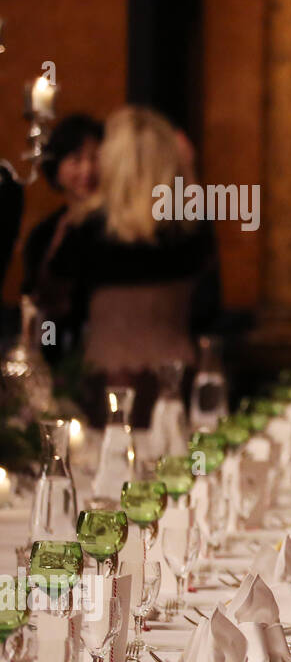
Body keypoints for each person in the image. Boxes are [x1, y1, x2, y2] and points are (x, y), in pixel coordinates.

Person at [43, 106, 219, 427]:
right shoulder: (189, 229)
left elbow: (51, 302)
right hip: (178, 379)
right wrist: (190, 173)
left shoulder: (87, 230)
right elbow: (209, 309)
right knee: (176, 470)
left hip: (108, 382)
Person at [21, 113, 103, 364]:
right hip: (48, 346)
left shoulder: (109, 229)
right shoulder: (43, 232)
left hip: (94, 349)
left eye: (95, 158)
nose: (87, 170)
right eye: (76, 159)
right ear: (57, 167)